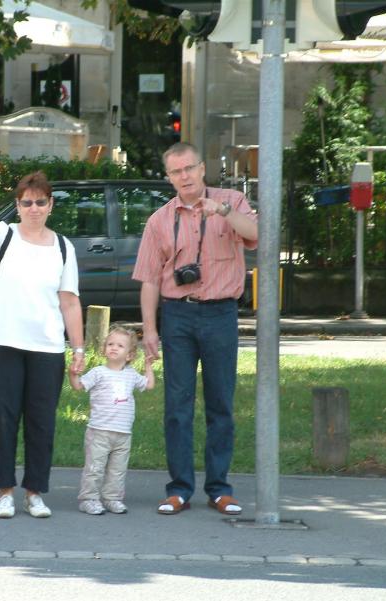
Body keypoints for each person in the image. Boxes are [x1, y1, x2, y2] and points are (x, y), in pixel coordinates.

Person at [132, 142, 258, 516]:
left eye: (189, 168)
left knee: (221, 403)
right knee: (177, 406)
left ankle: (219, 488)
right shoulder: (159, 220)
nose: (184, 176)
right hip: (178, 316)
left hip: (221, 314)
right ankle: (179, 489)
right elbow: (149, 279)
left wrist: (222, 212)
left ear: (202, 169)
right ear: (168, 177)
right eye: (176, 171)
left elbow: (256, 233)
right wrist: (150, 330)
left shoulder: (231, 200)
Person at [0, 170, 84, 519]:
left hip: (47, 348)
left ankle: (34, 493)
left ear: (51, 205)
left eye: (40, 202)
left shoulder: (63, 247)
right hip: (2, 342)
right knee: (3, 418)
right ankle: (4, 493)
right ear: (18, 206)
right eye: (27, 203)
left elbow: (70, 302)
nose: (34, 208)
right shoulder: (4, 236)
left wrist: (78, 349)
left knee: (42, 422)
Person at [69, 326, 154, 515]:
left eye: (120, 346)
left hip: (123, 433)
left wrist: (148, 366)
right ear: (104, 348)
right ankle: (88, 499)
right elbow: (78, 386)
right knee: (94, 468)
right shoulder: (98, 372)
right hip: (99, 431)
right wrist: (73, 373)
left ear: (130, 355)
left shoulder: (131, 374)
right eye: (110, 344)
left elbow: (148, 385)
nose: (114, 347)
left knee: (118, 470)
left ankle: (112, 498)